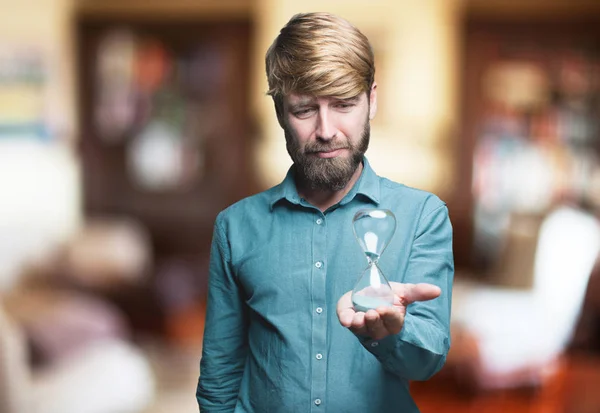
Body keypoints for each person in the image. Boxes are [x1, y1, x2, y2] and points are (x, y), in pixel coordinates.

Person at [197, 12, 454, 412]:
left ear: (371, 100)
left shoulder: (423, 215)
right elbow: (219, 375)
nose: (326, 130)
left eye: (344, 104)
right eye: (304, 110)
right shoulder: (235, 227)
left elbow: (428, 361)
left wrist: (394, 331)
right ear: (281, 112)